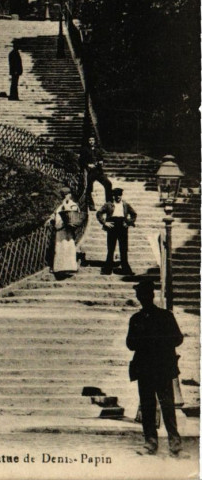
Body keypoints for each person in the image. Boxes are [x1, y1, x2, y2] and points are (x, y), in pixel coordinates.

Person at [126, 279, 183, 456]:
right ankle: (155, 443)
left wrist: (156, 343)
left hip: (159, 368)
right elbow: (130, 344)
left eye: (142, 294)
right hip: (150, 368)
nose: (141, 298)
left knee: (165, 406)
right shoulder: (138, 319)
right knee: (152, 406)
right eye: (139, 295)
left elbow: (178, 338)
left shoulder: (163, 316)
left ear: (148, 296)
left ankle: (170, 444)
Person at [96, 187, 136, 275]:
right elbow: (99, 213)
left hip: (122, 227)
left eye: (119, 195)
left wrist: (128, 223)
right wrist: (105, 223)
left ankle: (126, 269)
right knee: (111, 248)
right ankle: (107, 269)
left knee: (123, 249)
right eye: (116, 195)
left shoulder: (125, 205)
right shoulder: (108, 204)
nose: (118, 197)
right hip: (112, 227)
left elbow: (134, 214)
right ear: (113, 196)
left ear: (121, 196)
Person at [48, 187, 80, 278]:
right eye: (64, 195)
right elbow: (56, 213)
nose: (66, 196)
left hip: (67, 229)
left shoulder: (73, 205)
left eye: (67, 194)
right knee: (59, 247)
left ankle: (70, 267)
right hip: (59, 230)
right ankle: (59, 268)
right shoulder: (60, 205)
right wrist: (51, 218)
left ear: (70, 195)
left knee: (68, 247)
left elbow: (72, 215)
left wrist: (65, 205)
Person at [79, 135, 113, 210]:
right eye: (90, 140)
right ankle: (91, 205)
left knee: (108, 184)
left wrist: (101, 162)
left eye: (93, 140)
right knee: (89, 188)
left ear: (95, 141)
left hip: (99, 171)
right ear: (88, 141)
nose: (91, 142)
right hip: (90, 172)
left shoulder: (98, 150)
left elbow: (101, 159)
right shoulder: (84, 150)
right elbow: (81, 161)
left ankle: (109, 203)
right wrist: (88, 165)